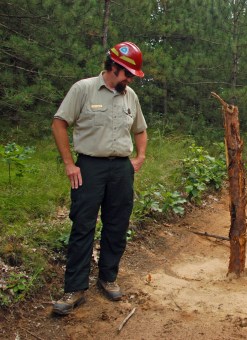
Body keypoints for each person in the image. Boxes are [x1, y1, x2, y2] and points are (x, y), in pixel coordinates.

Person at [51, 41, 148, 315]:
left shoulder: (130, 97)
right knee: (82, 225)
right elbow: (59, 123)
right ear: (114, 66)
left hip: (121, 170)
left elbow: (140, 129)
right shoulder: (83, 89)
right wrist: (70, 164)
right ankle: (75, 288)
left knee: (117, 226)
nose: (130, 80)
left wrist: (139, 157)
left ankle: (108, 277)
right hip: (89, 168)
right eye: (127, 74)